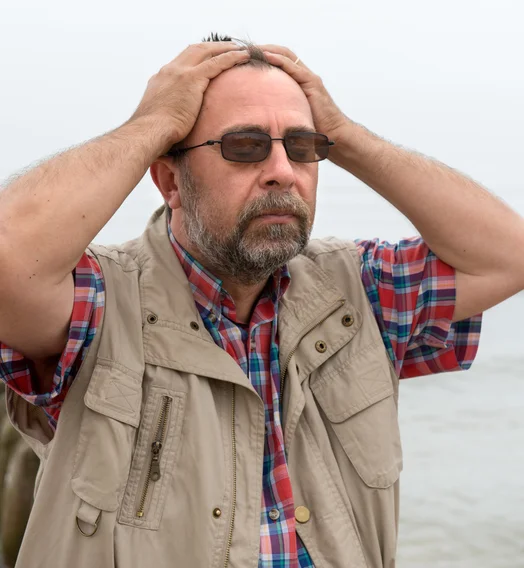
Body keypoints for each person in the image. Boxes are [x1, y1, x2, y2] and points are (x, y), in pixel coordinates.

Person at [0, 34, 522, 568]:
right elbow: (9, 262)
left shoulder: (357, 291)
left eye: (302, 148)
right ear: (168, 179)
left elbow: (509, 255)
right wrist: (151, 124)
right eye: (243, 147)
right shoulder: (100, 302)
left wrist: (346, 135)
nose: (283, 171)